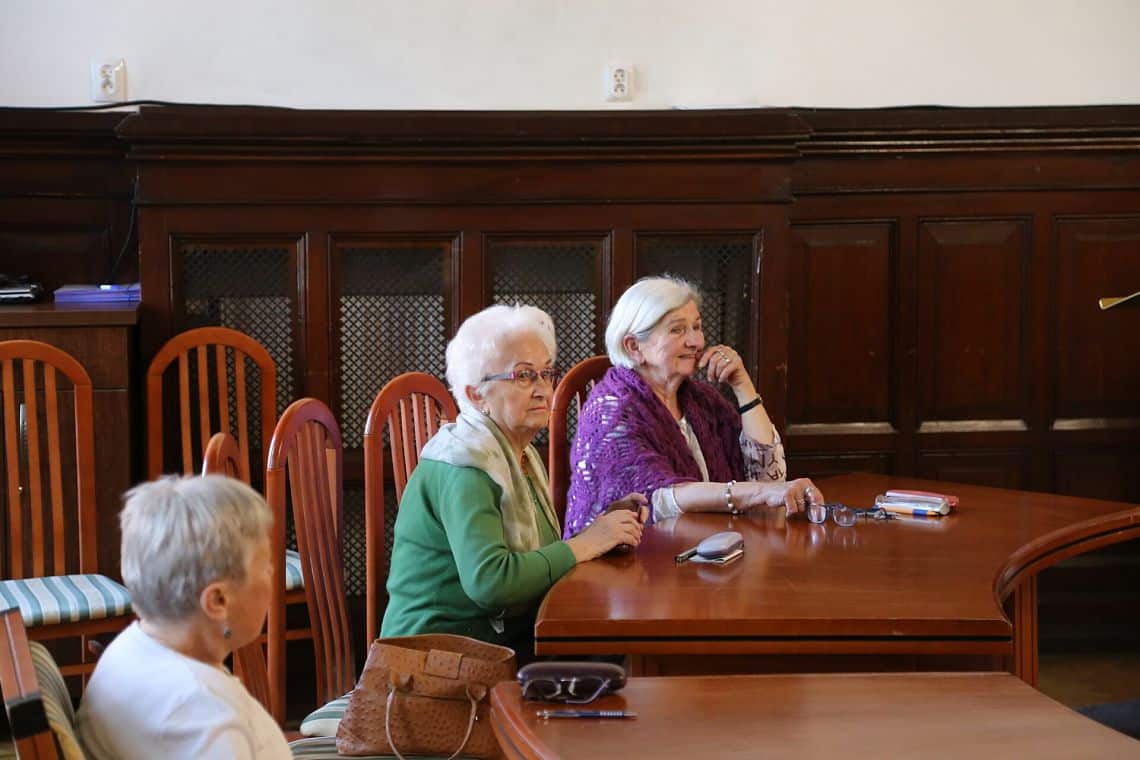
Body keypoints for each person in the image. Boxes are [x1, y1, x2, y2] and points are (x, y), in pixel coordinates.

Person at [381, 304, 646, 661]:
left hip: (496, 640)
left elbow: (537, 558)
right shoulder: (465, 464)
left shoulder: (518, 454)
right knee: (616, 655)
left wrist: (604, 531)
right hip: (437, 661)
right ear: (476, 395)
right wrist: (586, 543)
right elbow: (492, 583)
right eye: (523, 376)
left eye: (546, 374)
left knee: (618, 642)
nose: (543, 390)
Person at [564, 275, 823, 537]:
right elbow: (659, 499)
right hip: (634, 555)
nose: (696, 342)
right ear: (634, 347)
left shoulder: (701, 400)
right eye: (677, 330)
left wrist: (742, 385)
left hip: (704, 544)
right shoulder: (611, 409)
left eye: (697, 327)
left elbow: (768, 476)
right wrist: (755, 493)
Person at [77, 475, 291, 760]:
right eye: (266, 567)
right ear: (218, 601)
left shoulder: (133, 648)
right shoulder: (201, 715)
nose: (272, 575)